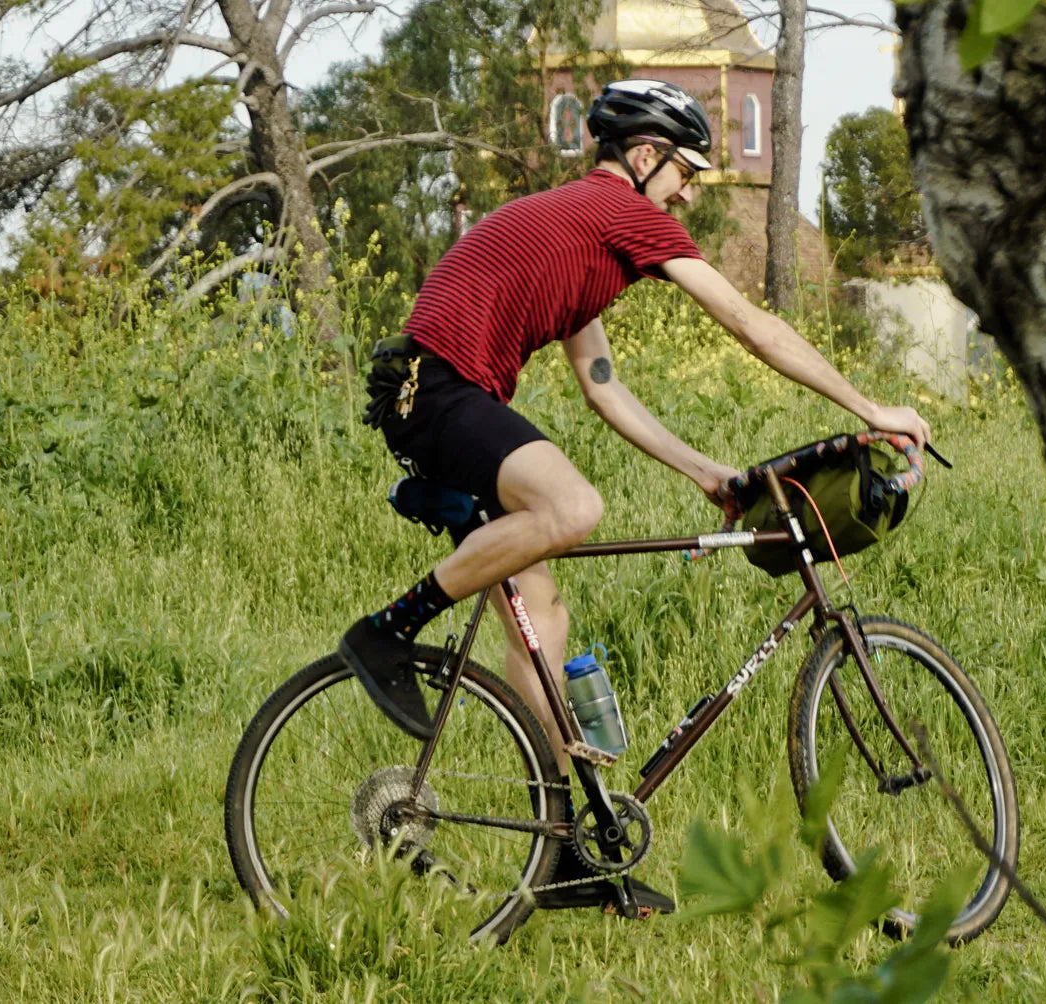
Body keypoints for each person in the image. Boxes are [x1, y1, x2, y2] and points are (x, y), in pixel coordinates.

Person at [341, 78, 932, 915]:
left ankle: (564, 857)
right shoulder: (619, 212)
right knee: (573, 509)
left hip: (441, 398)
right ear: (645, 156)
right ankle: (387, 632)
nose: (688, 193)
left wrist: (703, 472)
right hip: (434, 389)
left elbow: (603, 388)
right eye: (685, 171)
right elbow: (752, 326)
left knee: (541, 623)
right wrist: (872, 409)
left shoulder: (586, 241)